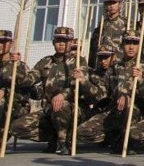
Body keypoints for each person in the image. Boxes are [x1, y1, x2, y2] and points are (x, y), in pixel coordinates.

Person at [11, 26, 88, 155]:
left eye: (65, 40)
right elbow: (28, 80)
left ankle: (63, 142)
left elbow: (79, 86)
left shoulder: (79, 61)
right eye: (58, 40)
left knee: (61, 105)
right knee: (17, 127)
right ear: (53, 42)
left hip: (72, 109)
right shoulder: (45, 62)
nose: (61, 44)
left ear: (71, 42)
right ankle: (54, 136)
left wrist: (63, 95)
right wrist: (18, 66)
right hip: (48, 110)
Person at [89, 0, 128, 66]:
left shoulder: (126, 23)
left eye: (114, 3)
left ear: (119, 5)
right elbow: (94, 45)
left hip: (118, 62)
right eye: (109, 3)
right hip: (103, 62)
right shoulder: (102, 24)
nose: (111, 6)